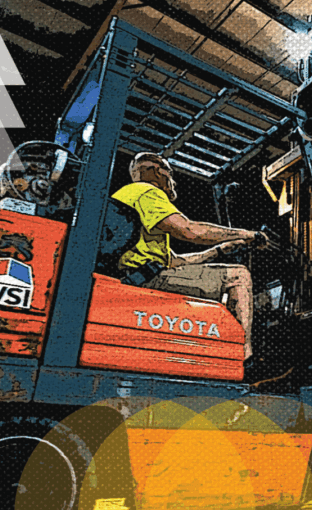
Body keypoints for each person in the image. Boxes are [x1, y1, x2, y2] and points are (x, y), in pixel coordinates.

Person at [111, 152, 266, 360]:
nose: (173, 181)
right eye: (170, 173)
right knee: (238, 275)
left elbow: (176, 262)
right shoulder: (147, 192)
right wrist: (246, 234)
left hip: (140, 275)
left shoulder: (131, 200)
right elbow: (191, 231)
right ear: (157, 172)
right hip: (146, 280)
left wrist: (220, 250)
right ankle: (243, 356)